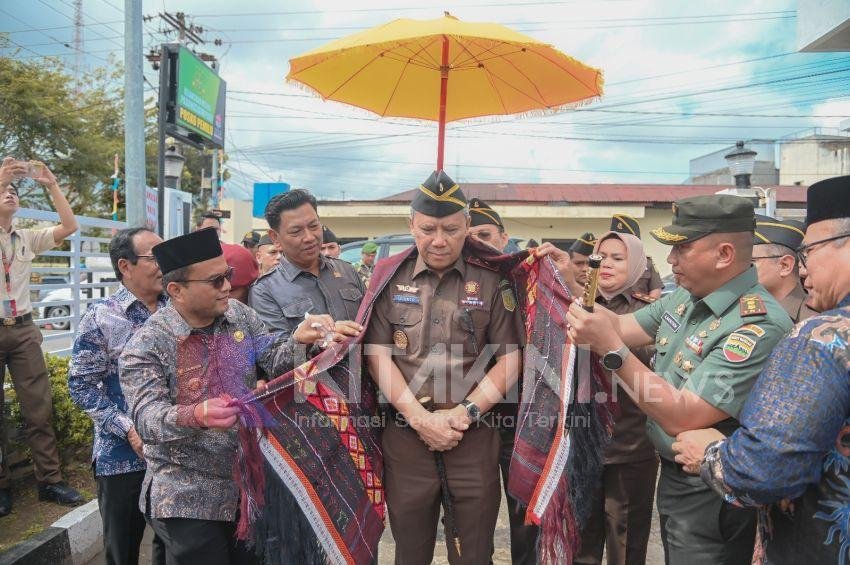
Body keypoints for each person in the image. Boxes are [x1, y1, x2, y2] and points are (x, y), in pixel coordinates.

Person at [565, 195, 792, 565]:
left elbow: (682, 416)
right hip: (676, 477)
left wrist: (611, 351)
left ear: (723, 254)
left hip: (711, 490)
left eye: (682, 248)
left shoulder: (756, 324)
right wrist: (581, 308)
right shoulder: (686, 298)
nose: (670, 259)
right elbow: (623, 325)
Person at [118, 227, 349, 565]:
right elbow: (147, 418)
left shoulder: (239, 316)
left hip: (247, 484)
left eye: (226, 275)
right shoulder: (147, 345)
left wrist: (300, 341)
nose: (227, 286)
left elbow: (273, 362)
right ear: (176, 290)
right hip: (185, 492)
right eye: (215, 281)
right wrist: (195, 415)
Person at [671, 175, 850, 564]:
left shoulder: (823, 340)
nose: (804, 268)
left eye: (810, 251)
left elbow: (764, 470)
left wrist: (710, 454)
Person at [364, 170, 522, 564]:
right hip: (406, 439)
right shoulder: (389, 278)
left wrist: (462, 415)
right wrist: (419, 419)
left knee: (473, 553)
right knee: (410, 552)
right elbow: (376, 353)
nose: (439, 240)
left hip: (473, 436)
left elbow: (511, 358)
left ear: (468, 225)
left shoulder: (491, 280)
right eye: (428, 228)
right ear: (411, 225)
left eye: (451, 228)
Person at [68, 227, 167, 565]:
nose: (163, 263)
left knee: (172, 547)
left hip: (175, 455)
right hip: (122, 458)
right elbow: (81, 385)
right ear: (125, 266)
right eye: (154, 256)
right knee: (123, 550)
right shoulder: (101, 317)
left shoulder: (177, 310)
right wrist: (127, 427)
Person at [0, 157, 83, 517]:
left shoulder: (26, 238)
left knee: (39, 408)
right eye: (4, 190)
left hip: (23, 330)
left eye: (14, 190)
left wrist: (51, 185)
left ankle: (49, 480)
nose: (10, 194)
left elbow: (70, 225)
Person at [575, 230, 659, 565]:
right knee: (581, 543)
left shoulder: (648, 314)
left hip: (631, 446)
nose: (606, 264)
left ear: (637, 265)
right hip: (581, 444)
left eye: (617, 258)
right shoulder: (577, 308)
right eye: (602, 257)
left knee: (626, 544)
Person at [467, 197, 537, 564]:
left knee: (526, 519)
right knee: (471, 520)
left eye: (485, 234)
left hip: (520, 417)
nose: (477, 241)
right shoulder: (455, 280)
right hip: (472, 419)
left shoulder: (528, 278)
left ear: (504, 236)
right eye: (470, 235)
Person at [249, 189, 364, 334]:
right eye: (296, 231)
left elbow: (372, 328)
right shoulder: (264, 291)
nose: (309, 237)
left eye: (314, 226)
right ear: (275, 238)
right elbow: (274, 353)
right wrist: (322, 340)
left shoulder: (347, 271)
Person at [751, 214, 816, 323]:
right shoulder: (746, 312)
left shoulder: (813, 320)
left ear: (785, 265)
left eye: (751, 262)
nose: (743, 270)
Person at [198, 212, 258, 304]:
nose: (213, 232)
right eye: (208, 229)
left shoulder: (237, 254)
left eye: (216, 229)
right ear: (198, 229)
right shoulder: (189, 259)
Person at [610, 214, 664, 299]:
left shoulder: (647, 263)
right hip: (607, 308)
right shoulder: (603, 262)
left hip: (639, 310)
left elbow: (655, 292)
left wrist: (647, 311)